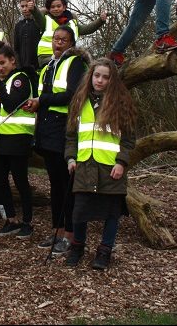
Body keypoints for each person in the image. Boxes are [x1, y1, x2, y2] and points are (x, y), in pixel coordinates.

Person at [64, 58, 137, 269]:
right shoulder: (79, 101)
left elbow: (129, 139)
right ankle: (77, 247)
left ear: (112, 80)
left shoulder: (121, 103)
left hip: (111, 167)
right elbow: (71, 136)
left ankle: (104, 251)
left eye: (106, 77)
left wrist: (122, 162)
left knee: (112, 213)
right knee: (79, 212)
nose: (100, 80)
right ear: (91, 76)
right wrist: (70, 158)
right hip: (84, 165)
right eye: (97, 75)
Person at [23, 26, 89, 256]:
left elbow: (72, 94)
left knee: (66, 185)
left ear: (71, 43)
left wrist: (42, 100)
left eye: (64, 40)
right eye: (55, 39)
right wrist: (36, 105)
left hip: (63, 128)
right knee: (55, 185)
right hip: (46, 129)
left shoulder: (76, 64)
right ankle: (57, 231)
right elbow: (45, 98)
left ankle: (70, 234)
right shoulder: (48, 66)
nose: (58, 43)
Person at [0, 40, 36, 239]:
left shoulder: (20, 79)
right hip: (3, 138)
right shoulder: (6, 81)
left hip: (19, 138)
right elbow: (3, 110)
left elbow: (12, 105)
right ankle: (11, 219)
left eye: (2, 63)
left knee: (20, 180)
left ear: (12, 61)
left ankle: (27, 221)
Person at [34, 0, 106, 68]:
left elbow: (88, 29)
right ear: (49, 9)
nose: (56, 9)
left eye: (58, 6)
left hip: (67, 56)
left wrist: (100, 20)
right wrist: (33, 8)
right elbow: (37, 16)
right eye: (52, 7)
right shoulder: (46, 20)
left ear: (64, 7)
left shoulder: (73, 23)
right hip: (46, 56)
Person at [12, 0, 42, 96]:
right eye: (22, 6)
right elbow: (16, 47)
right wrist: (18, 65)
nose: (24, 9)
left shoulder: (39, 23)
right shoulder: (18, 26)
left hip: (37, 66)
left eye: (26, 6)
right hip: (23, 67)